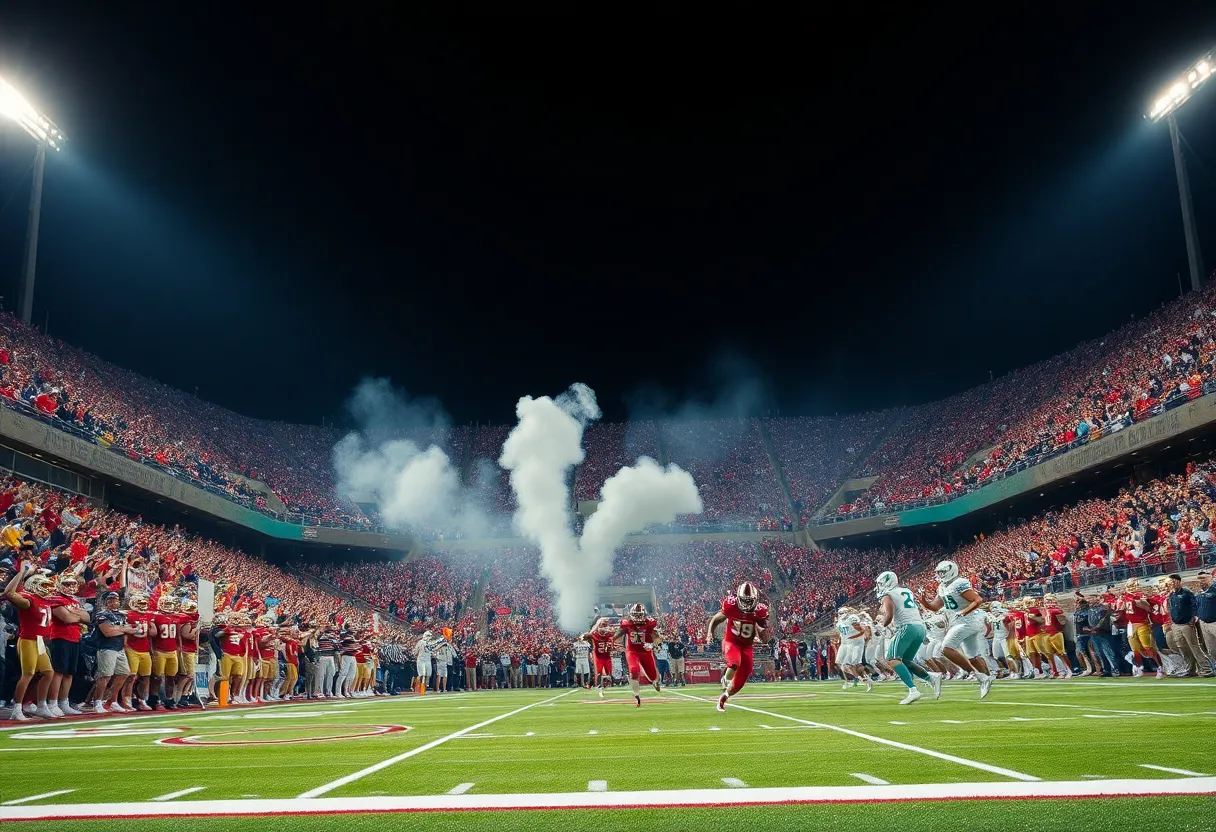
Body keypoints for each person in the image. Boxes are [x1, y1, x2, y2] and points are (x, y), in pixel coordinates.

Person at [918, 560, 994, 699]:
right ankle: (986, 679)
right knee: (973, 655)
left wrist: (964, 611)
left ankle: (975, 675)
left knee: (946, 648)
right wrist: (924, 602)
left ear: (950, 570)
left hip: (968, 620)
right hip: (958, 621)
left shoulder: (959, 583)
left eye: (941, 572)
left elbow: (978, 600)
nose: (939, 575)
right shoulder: (942, 586)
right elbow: (935, 607)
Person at [705, 581, 770, 711]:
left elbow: (765, 636)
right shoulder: (730, 605)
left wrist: (763, 633)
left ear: (756, 599)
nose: (746, 604)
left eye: (749, 601)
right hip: (732, 641)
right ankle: (725, 679)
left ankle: (725, 695)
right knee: (735, 662)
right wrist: (709, 633)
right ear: (738, 598)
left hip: (747, 646)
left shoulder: (760, 611)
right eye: (743, 601)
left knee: (740, 681)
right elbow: (716, 619)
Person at [4, 564, 58, 720]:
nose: (47, 588)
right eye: (44, 585)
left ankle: (41, 706)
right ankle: (16, 708)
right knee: (27, 674)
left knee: (48, 673)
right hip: (28, 639)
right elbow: (9, 593)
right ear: (34, 585)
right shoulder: (29, 599)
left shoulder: (44, 600)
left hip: (40, 641)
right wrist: (22, 572)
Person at [874, 571, 934, 705]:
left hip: (907, 627)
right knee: (906, 660)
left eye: (880, 583)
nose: (879, 586)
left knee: (892, 659)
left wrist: (882, 625)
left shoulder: (887, 594)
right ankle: (931, 679)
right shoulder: (906, 591)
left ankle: (913, 690)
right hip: (920, 627)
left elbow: (889, 615)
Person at [616, 603, 663, 708]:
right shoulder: (627, 624)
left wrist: (655, 645)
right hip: (632, 651)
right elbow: (617, 634)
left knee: (653, 676)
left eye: (639, 615)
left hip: (645, 652)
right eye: (635, 615)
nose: (637, 617)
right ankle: (637, 696)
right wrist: (613, 641)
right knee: (634, 670)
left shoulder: (649, 623)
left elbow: (656, 637)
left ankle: (655, 682)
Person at [582, 618, 616, 698]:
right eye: (603, 627)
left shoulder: (609, 634)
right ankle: (598, 687)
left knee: (609, 674)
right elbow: (583, 637)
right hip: (598, 656)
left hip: (607, 656)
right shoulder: (594, 634)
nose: (605, 630)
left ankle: (605, 685)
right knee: (598, 672)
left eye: (606, 627)